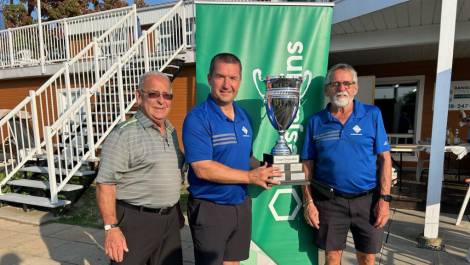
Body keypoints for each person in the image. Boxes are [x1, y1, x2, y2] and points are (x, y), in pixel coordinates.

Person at [182, 52, 281, 265]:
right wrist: (250, 176)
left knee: (234, 263)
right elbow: (202, 168)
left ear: (240, 80)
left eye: (233, 78)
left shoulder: (243, 116)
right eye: (220, 77)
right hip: (210, 208)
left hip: (240, 204)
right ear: (210, 78)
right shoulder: (197, 118)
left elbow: (245, 157)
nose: (227, 84)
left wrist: (266, 169)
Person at [301, 63, 392, 265]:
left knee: (367, 258)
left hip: (368, 200)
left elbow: (385, 159)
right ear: (327, 90)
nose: (342, 89)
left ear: (355, 88)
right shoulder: (315, 122)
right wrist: (308, 202)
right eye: (335, 84)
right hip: (330, 201)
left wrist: (384, 200)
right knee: (332, 259)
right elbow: (307, 163)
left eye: (347, 83)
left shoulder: (372, 114)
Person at [96, 71, 184, 265]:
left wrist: (174, 208)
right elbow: (105, 184)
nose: (162, 101)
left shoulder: (170, 131)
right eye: (154, 94)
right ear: (138, 97)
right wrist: (111, 228)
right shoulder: (123, 134)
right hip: (136, 222)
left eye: (167, 95)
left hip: (169, 222)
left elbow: (170, 171)